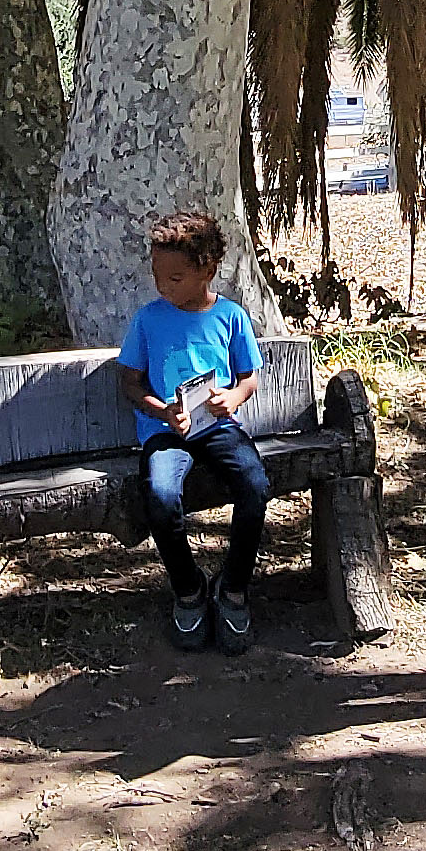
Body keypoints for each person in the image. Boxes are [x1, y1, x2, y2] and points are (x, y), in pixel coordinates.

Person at [113, 211, 273, 654]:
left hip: (218, 425)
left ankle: (234, 588)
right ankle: (189, 589)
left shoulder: (231, 315)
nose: (163, 286)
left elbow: (249, 377)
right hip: (166, 431)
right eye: (157, 276)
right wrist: (162, 412)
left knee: (255, 486)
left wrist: (234, 399)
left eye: (176, 277)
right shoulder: (149, 320)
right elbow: (129, 381)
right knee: (161, 497)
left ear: (207, 270)